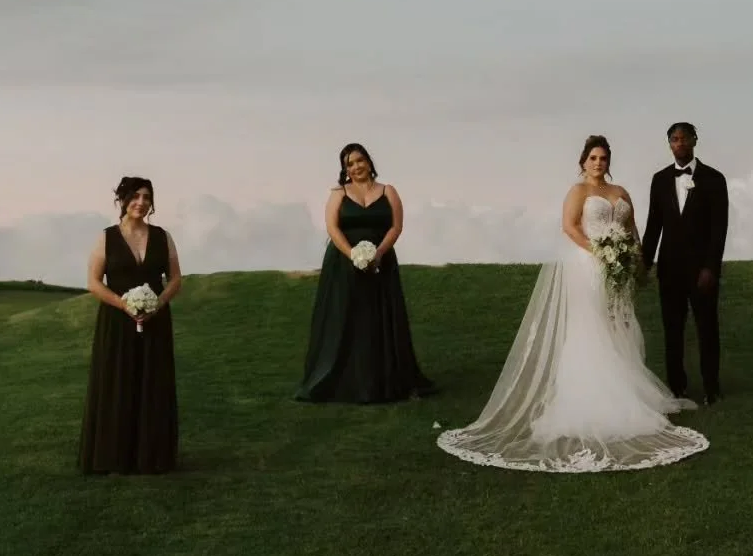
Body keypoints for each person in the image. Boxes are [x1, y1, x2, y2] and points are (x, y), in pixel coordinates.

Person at [437, 136, 707, 473]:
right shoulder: (577, 192)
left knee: (619, 324)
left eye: (603, 158)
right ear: (583, 161)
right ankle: (593, 397)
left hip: (619, 269)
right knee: (591, 326)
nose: (598, 163)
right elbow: (569, 227)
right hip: (589, 267)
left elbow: (630, 225)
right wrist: (601, 253)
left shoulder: (620, 191)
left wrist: (634, 258)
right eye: (593, 158)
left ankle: (627, 389)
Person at [296, 142, 435, 404]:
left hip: (382, 263)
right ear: (345, 170)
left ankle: (385, 379)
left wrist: (378, 254)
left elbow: (396, 226)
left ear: (369, 162)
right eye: (350, 164)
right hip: (343, 265)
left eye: (360, 160)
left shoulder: (388, 191)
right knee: (347, 318)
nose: (356, 167)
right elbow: (332, 228)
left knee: (379, 317)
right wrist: (354, 256)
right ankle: (343, 380)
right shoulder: (338, 193)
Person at [79, 176, 181, 475]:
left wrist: (156, 305)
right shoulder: (106, 238)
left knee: (152, 383)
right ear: (122, 200)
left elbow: (175, 279)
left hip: (155, 321)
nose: (141, 202)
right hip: (116, 321)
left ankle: (151, 458)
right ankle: (113, 457)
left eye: (147, 197)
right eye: (135, 196)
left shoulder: (163, 237)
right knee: (117, 383)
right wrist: (124, 304)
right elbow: (93, 282)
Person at [641, 121, 729, 404]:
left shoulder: (715, 179)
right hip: (669, 270)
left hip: (701, 271)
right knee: (673, 331)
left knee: (707, 330)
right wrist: (644, 264)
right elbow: (654, 225)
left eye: (684, 138)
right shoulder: (660, 179)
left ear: (694, 140)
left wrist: (711, 268)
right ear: (669, 144)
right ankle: (676, 388)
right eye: (674, 139)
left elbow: (719, 229)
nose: (679, 143)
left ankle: (711, 388)